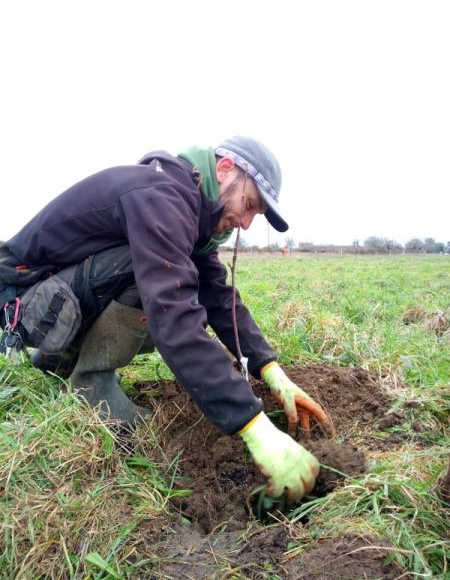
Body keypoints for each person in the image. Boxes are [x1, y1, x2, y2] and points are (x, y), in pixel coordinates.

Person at [0, 136, 332, 501]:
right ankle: (91, 386)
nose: (247, 223)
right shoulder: (160, 198)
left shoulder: (191, 215)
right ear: (224, 171)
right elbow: (173, 314)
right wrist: (254, 427)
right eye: (249, 204)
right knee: (165, 286)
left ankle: (59, 355)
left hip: (56, 303)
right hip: (23, 301)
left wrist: (270, 370)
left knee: (183, 282)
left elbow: (220, 298)